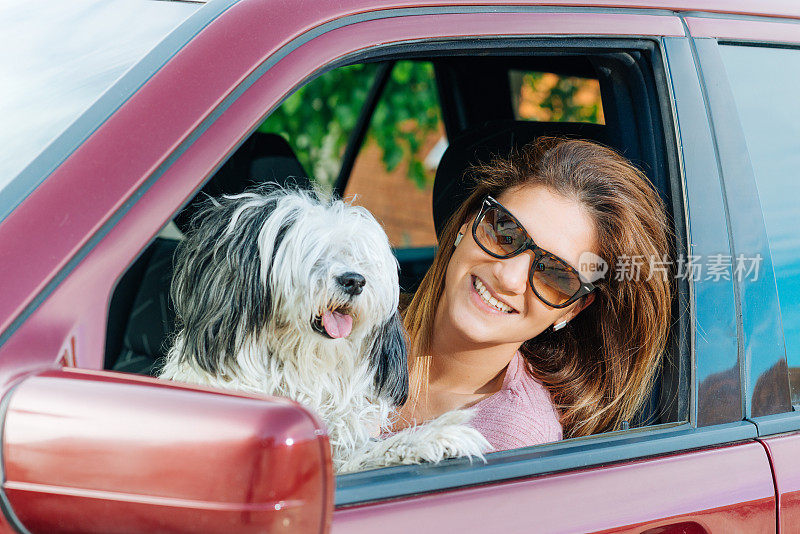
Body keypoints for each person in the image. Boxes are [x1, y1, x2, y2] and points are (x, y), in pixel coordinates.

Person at [395, 137, 672, 450]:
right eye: (505, 231)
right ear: (467, 222)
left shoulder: (513, 439)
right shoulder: (347, 322)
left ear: (571, 309)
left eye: (554, 273)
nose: (508, 277)